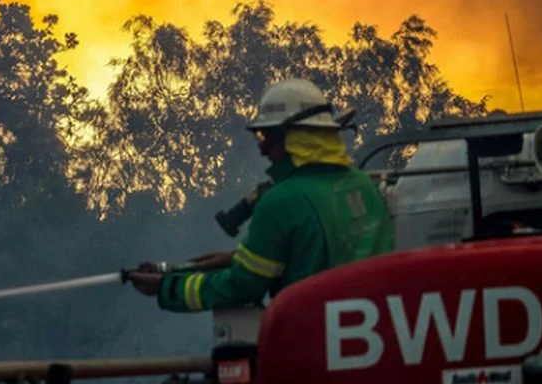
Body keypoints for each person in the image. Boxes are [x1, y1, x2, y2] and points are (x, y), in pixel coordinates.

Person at [129, 78, 392, 313]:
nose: (262, 150)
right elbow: (326, 253)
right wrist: (236, 258)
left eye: (265, 136)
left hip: (314, 338)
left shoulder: (282, 200)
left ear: (294, 138)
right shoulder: (364, 185)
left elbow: (244, 285)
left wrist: (167, 287)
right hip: (375, 334)